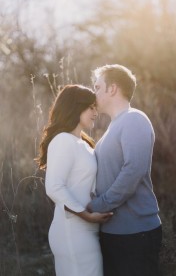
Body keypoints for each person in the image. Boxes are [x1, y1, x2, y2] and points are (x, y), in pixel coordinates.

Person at [87, 64, 162, 276]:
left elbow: (133, 171)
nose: (95, 93)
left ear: (112, 89)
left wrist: (98, 205)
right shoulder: (114, 125)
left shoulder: (134, 119)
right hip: (114, 232)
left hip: (136, 234)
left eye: (98, 86)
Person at [37, 84, 113, 276]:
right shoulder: (63, 140)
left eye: (96, 107)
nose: (96, 112)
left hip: (87, 230)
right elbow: (54, 187)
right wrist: (86, 215)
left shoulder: (84, 143)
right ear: (75, 107)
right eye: (90, 107)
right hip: (73, 232)